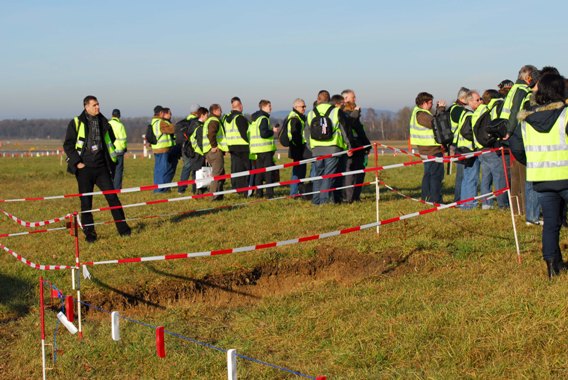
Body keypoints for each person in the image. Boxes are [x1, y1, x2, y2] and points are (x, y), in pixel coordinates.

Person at [518, 74, 568, 278]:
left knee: (550, 224)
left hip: (541, 178)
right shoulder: (565, 114)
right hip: (565, 176)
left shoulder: (526, 119)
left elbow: (520, 148)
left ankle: (551, 266)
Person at [63, 95, 131, 243]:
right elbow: (68, 145)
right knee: (86, 203)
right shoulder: (76, 122)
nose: (97, 107)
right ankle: (90, 235)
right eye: (94, 105)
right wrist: (77, 163)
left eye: (98, 104)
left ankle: (124, 230)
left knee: (113, 198)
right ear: (86, 107)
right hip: (84, 170)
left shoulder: (104, 121)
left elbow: (110, 139)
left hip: (102, 168)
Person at [501, 65, 541, 224]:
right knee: (530, 176)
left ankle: (525, 212)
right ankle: (531, 213)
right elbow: (515, 111)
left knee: (521, 175)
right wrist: (509, 131)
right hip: (519, 135)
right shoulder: (522, 90)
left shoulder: (515, 88)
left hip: (513, 135)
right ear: (528, 77)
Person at [307, 90, 352, 205]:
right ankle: (324, 200)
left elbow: (306, 132)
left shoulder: (311, 113)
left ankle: (316, 200)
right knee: (329, 175)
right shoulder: (336, 111)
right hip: (332, 148)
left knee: (318, 174)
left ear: (318, 99)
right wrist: (349, 146)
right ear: (329, 99)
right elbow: (344, 130)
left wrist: (311, 147)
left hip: (316, 148)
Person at [472, 89, 509, 209]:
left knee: (486, 178)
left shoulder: (477, 112)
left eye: (481, 99)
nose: (480, 101)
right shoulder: (489, 108)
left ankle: (486, 204)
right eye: (478, 100)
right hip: (490, 148)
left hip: (480, 148)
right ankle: (503, 204)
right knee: (499, 177)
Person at [409, 92, 446, 204]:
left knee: (428, 175)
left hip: (426, 149)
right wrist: (440, 110)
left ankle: (427, 198)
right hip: (431, 150)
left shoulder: (419, 113)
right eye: (430, 103)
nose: (431, 105)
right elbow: (436, 123)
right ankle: (435, 200)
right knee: (435, 176)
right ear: (424, 103)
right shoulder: (421, 115)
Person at [341, 89, 371, 203]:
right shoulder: (343, 114)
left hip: (359, 148)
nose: (355, 100)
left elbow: (360, 132)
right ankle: (348, 198)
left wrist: (367, 146)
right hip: (350, 149)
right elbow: (349, 124)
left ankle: (356, 197)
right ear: (345, 99)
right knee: (349, 174)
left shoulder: (355, 116)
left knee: (360, 173)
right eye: (353, 97)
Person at [456, 90, 483, 209]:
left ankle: (464, 203)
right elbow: (466, 131)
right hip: (470, 149)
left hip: (464, 149)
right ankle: (469, 204)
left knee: (467, 178)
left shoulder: (464, 112)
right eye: (477, 100)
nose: (480, 102)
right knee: (471, 178)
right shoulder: (470, 114)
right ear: (470, 101)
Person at [249, 99, 278, 198]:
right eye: (269, 106)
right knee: (269, 172)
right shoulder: (264, 119)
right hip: (265, 149)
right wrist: (272, 131)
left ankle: (259, 193)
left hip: (257, 150)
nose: (271, 107)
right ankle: (269, 194)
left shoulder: (255, 119)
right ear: (264, 107)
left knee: (259, 173)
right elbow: (264, 133)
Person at [223, 97, 251, 193]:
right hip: (243, 147)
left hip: (231, 146)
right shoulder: (240, 118)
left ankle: (235, 187)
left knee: (235, 168)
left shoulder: (226, 118)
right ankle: (243, 189)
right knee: (245, 169)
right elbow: (245, 134)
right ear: (240, 106)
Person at [285, 98, 310, 196]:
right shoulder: (295, 118)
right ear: (295, 107)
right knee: (297, 172)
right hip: (297, 149)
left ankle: (299, 191)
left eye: (305, 106)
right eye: (302, 106)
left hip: (299, 149)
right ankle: (294, 193)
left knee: (301, 171)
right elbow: (295, 135)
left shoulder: (299, 117)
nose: (304, 108)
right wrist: (300, 145)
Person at [448, 87, 469, 202]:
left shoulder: (453, 108)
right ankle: (459, 198)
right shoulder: (458, 110)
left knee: (463, 173)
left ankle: (461, 197)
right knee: (462, 174)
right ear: (462, 98)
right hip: (459, 145)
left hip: (457, 144)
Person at [150, 106, 177, 193]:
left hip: (156, 148)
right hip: (162, 149)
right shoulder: (161, 122)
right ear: (161, 113)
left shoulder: (153, 121)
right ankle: (160, 189)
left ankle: (157, 187)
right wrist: (171, 124)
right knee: (163, 169)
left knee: (158, 169)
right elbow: (172, 130)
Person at [203, 104, 228, 200]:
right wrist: (214, 146)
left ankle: (219, 195)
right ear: (215, 110)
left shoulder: (209, 120)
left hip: (210, 151)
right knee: (217, 174)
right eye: (220, 110)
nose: (221, 112)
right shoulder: (214, 121)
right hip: (214, 151)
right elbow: (211, 134)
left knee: (221, 173)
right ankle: (213, 196)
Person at [184, 107, 209, 194]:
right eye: (207, 115)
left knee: (196, 172)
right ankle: (198, 191)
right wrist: (206, 154)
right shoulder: (200, 127)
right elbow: (201, 142)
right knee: (199, 173)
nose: (207, 117)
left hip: (194, 152)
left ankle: (196, 190)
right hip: (199, 152)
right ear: (202, 115)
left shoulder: (193, 124)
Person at [176, 104, 200, 193]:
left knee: (186, 167)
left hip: (184, 148)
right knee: (196, 167)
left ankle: (181, 189)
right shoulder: (196, 121)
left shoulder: (184, 121)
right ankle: (195, 188)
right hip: (193, 148)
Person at [108, 108, 127, 189]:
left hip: (109, 150)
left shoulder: (107, 124)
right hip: (119, 150)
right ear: (119, 116)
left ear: (112, 115)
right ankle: (117, 188)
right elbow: (123, 139)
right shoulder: (120, 125)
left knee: (110, 170)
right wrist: (124, 148)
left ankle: (109, 187)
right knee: (118, 170)